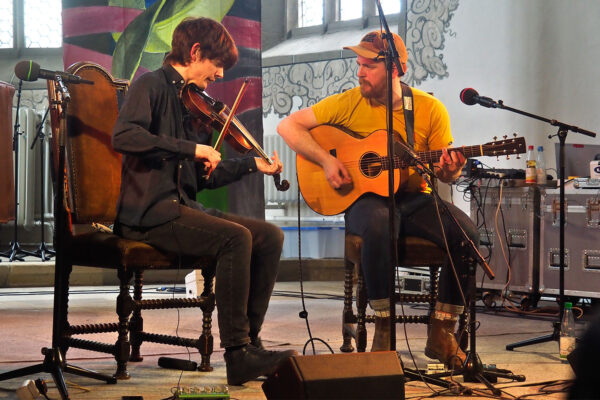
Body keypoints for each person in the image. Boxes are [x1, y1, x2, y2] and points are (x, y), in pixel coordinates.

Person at [278, 30, 479, 368]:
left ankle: (442, 331)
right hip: (366, 202)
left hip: (414, 198)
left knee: (467, 234)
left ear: (395, 69)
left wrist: (450, 171)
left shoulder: (429, 109)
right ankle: (383, 326)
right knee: (377, 222)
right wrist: (327, 160)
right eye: (359, 64)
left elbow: (444, 173)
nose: (359, 72)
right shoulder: (347, 102)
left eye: (368, 65)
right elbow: (289, 126)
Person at [112, 17, 295, 385]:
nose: (218, 76)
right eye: (216, 66)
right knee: (235, 238)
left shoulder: (188, 103)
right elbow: (124, 136)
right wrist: (189, 147)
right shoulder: (150, 85)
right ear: (195, 52)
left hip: (182, 207)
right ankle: (238, 353)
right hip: (151, 212)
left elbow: (199, 177)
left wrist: (250, 165)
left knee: (269, 236)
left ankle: (250, 342)